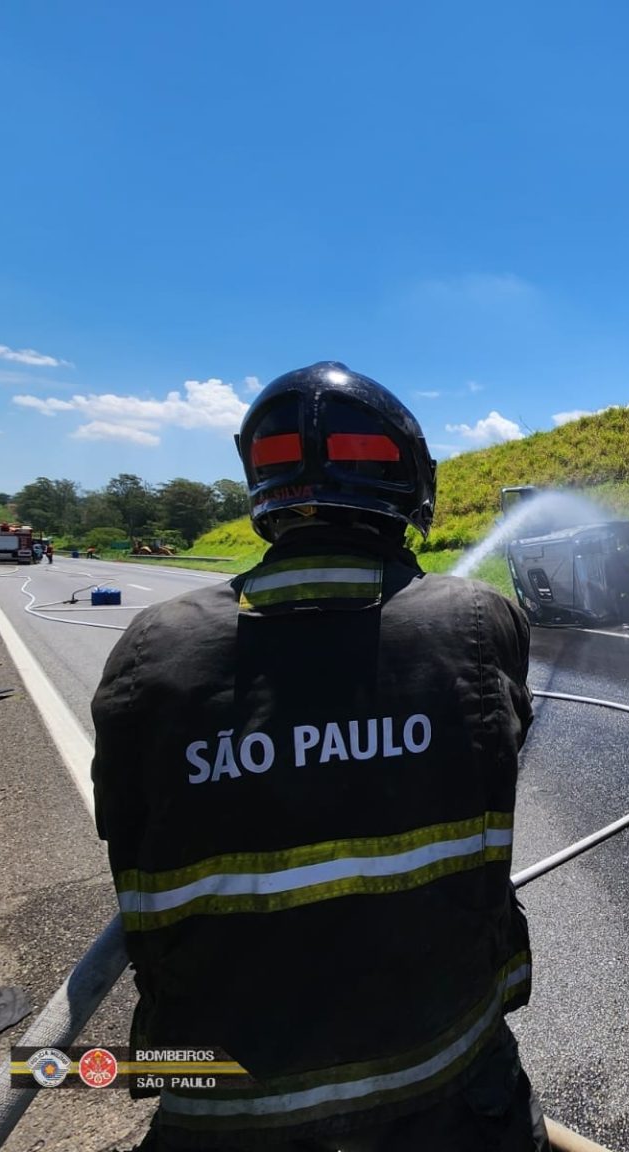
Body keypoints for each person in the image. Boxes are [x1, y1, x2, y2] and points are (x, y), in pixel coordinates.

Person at [90, 362, 547, 1151]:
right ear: (409, 481)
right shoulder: (479, 621)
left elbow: (126, 830)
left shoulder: (151, 649)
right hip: (445, 1083)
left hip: (217, 1100)